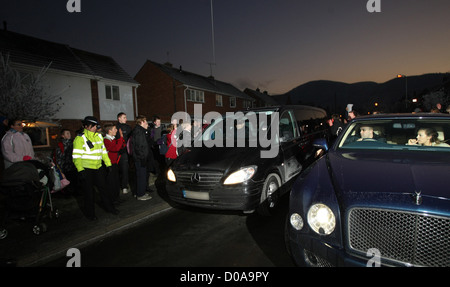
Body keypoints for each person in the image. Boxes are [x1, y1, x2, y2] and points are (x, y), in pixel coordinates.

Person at [72, 116, 119, 220]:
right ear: (87, 126)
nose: (95, 128)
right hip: (86, 169)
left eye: (95, 126)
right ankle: (90, 214)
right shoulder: (80, 138)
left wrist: (108, 164)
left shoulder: (98, 137)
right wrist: (80, 170)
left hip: (98, 168)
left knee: (104, 189)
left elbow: (103, 152)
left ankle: (110, 208)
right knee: (89, 193)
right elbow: (76, 157)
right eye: (93, 126)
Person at [131, 115, 152, 201]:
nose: (147, 124)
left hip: (140, 158)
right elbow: (139, 147)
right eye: (146, 122)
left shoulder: (140, 131)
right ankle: (140, 194)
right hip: (140, 159)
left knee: (141, 176)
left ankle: (139, 192)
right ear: (141, 122)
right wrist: (143, 158)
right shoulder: (139, 131)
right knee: (141, 176)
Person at [103, 124, 125, 204]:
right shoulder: (106, 140)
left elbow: (121, 146)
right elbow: (115, 148)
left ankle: (117, 197)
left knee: (116, 182)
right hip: (109, 164)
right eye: (115, 129)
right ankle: (112, 199)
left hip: (115, 163)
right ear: (110, 131)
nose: (116, 130)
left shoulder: (113, 139)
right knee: (111, 183)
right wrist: (121, 138)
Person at [54, 128, 77, 193]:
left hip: (73, 166)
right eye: (67, 133)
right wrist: (60, 168)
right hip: (65, 167)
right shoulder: (60, 145)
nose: (69, 135)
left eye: (69, 133)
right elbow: (59, 157)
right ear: (62, 136)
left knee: (74, 181)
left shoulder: (74, 142)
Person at [116, 112, 132, 195]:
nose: (126, 119)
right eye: (124, 117)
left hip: (126, 152)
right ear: (119, 118)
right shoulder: (115, 128)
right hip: (118, 152)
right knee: (118, 170)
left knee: (125, 169)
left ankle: (124, 186)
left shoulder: (128, 127)